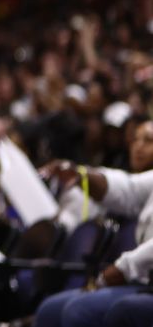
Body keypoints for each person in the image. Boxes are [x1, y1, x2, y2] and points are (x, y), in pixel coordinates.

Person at [33, 119, 153, 327]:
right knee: (49, 310)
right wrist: (82, 174)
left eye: (148, 141)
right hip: (143, 281)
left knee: (80, 311)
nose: (139, 146)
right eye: (136, 139)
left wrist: (124, 268)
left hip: (144, 280)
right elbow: (129, 189)